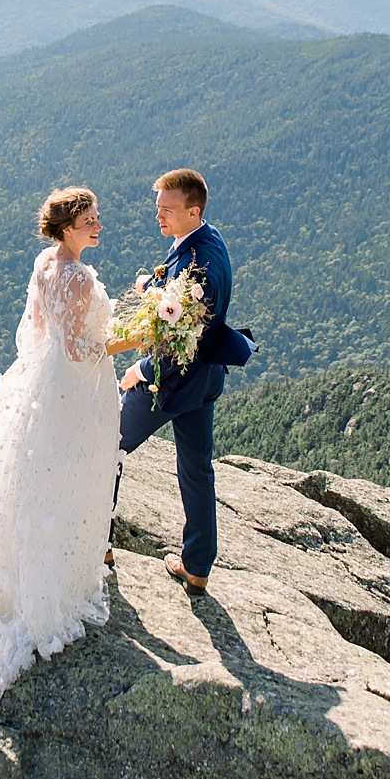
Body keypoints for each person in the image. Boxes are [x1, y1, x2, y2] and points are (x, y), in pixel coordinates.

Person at [0, 186, 145, 716]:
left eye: (96, 218)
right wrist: (137, 338)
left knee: (35, 476)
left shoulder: (45, 263)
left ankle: (25, 569)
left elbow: (38, 331)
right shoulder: (79, 277)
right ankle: (56, 582)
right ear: (67, 227)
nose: (98, 226)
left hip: (46, 387)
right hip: (78, 392)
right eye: (89, 220)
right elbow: (81, 348)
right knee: (71, 478)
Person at [117, 168, 235, 594]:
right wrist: (153, 286)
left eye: (167, 210)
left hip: (170, 384)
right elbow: (184, 299)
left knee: (106, 442)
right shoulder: (208, 239)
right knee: (197, 470)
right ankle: (197, 565)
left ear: (193, 210)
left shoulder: (197, 269)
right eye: (158, 209)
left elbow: (186, 338)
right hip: (205, 382)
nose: (158, 217)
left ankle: (95, 544)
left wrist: (140, 371)